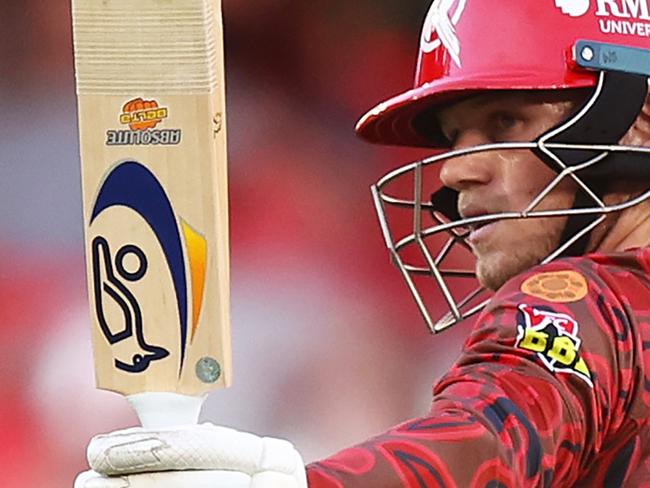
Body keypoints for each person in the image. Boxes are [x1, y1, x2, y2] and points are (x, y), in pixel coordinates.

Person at [75, 0, 650, 486]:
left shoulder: (586, 303)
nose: (452, 172)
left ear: (637, 122)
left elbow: (492, 438)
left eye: (504, 122)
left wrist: (291, 482)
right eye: (453, 138)